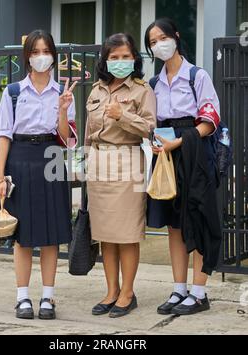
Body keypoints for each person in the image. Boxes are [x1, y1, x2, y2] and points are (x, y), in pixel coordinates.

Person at [0, 29, 78, 320]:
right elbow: (4, 136)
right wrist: (0, 176)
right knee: (23, 236)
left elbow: (66, 140)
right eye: (35, 52)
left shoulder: (63, 93)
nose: (41, 57)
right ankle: (22, 298)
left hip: (52, 157)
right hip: (20, 158)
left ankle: (47, 297)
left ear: (53, 55)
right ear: (27, 56)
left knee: (52, 234)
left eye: (45, 51)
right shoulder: (13, 92)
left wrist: (63, 111)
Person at [145, 18, 222, 316]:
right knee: (173, 224)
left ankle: (199, 293)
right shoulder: (154, 83)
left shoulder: (196, 76)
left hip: (194, 153)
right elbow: (153, 123)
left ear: (176, 36)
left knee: (198, 218)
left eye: (162, 37)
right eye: (152, 42)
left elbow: (210, 120)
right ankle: (179, 288)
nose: (159, 44)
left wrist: (180, 142)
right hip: (164, 156)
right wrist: (154, 142)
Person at [85, 33, 156, 318]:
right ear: (105, 60)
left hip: (128, 161)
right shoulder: (96, 90)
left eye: (126, 56)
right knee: (106, 234)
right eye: (114, 57)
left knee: (126, 233)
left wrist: (121, 115)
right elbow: (90, 132)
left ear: (135, 59)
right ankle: (111, 290)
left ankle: (128, 293)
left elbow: (150, 129)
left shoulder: (142, 90)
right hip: (98, 163)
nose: (120, 62)